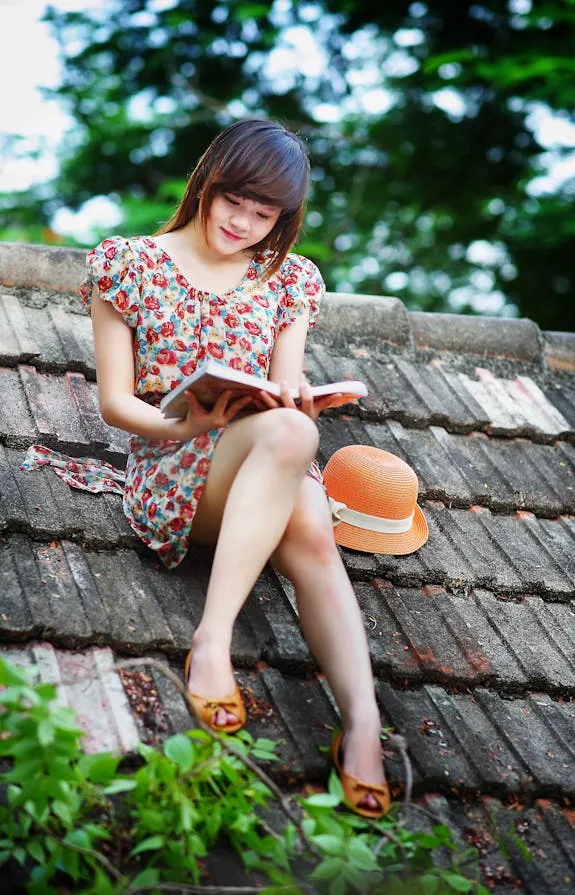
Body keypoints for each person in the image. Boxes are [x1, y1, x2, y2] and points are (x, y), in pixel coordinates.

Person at [79, 118, 390, 818]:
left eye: (264, 213)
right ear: (208, 181)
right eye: (235, 201)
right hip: (173, 465)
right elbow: (114, 402)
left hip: (265, 460)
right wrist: (184, 421)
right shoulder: (128, 263)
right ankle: (211, 638)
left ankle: (363, 722)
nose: (244, 222)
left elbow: (285, 393)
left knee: (309, 511)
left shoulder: (288, 282)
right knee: (288, 448)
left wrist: (302, 397)